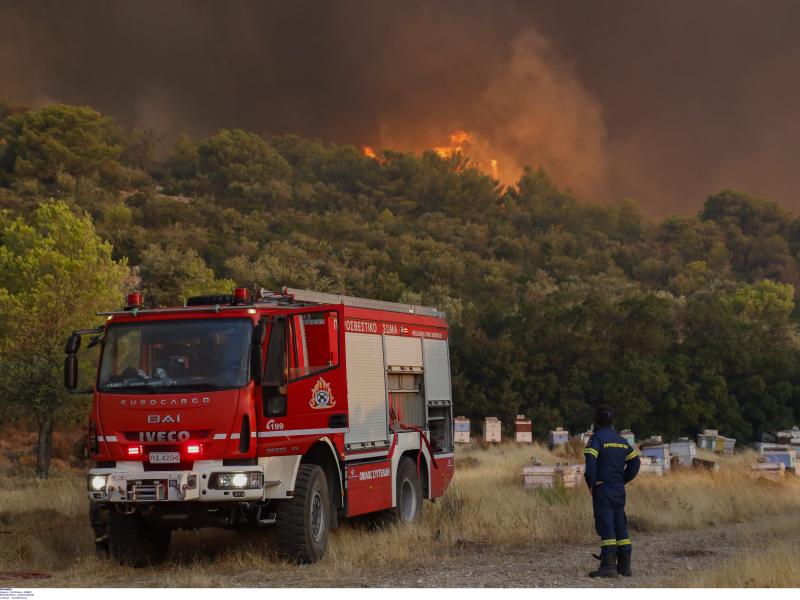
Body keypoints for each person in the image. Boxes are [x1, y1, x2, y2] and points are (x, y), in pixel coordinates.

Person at [583, 406, 640, 578]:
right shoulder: (622, 440)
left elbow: (591, 462)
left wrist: (592, 482)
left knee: (606, 524)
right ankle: (625, 566)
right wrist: (622, 479)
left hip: (603, 489)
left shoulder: (596, 439)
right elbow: (635, 463)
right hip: (618, 490)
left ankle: (608, 566)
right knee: (620, 525)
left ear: (596, 422)